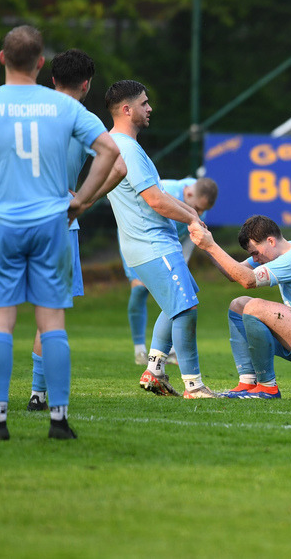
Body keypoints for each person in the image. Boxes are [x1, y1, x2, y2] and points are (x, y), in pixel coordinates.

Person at [0, 26, 120, 440]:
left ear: (2, 58)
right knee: (51, 321)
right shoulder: (65, 108)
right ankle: (58, 420)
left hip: (0, 224)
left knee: (1, 321)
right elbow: (109, 152)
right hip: (52, 223)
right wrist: (81, 200)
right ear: (40, 64)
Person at [104, 79, 217, 399]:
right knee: (186, 308)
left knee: (180, 300)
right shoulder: (127, 148)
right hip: (151, 243)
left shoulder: (119, 145)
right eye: (143, 103)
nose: (149, 108)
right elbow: (155, 200)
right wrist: (193, 218)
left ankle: (154, 371)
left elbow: (162, 194)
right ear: (126, 110)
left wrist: (193, 215)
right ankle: (194, 385)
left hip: (147, 244)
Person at [189, 215, 291, 399]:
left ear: (271, 241)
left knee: (254, 307)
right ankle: (248, 384)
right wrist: (206, 245)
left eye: (255, 253)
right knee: (238, 305)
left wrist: (211, 246)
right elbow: (233, 272)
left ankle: (267, 387)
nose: (255, 259)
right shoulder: (288, 248)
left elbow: (247, 280)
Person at [125, 176, 217, 365]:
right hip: (139, 241)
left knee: (176, 292)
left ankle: (169, 351)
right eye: (198, 209)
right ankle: (139, 350)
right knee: (139, 289)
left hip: (168, 249)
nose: (198, 213)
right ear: (189, 193)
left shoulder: (197, 208)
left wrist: (180, 267)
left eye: (202, 211)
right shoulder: (164, 189)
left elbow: (188, 242)